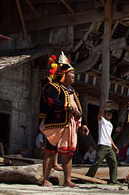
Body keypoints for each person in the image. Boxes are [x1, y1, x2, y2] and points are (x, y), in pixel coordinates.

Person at [40, 52, 89, 187]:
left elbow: (79, 108)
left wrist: (83, 124)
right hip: (55, 123)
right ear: (63, 75)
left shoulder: (72, 91)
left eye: (73, 74)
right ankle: (45, 179)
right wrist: (68, 107)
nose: (73, 76)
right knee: (50, 151)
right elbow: (50, 102)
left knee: (68, 153)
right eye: (71, 74)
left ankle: (67, 180)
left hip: (70, 124)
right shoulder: (53, 87)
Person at [85, 104, 119, 184]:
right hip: (102, 145)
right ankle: (88, 178)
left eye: (111, 113)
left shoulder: (111, 125)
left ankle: (113, 180)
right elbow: (99, 115)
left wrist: (114, 146)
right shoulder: (102, 120)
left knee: (113, 162)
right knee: (97, 162)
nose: (109, 114)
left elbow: (109, 136)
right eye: (107, 113)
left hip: (109, 146)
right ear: (104, 114)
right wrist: (104, 106)